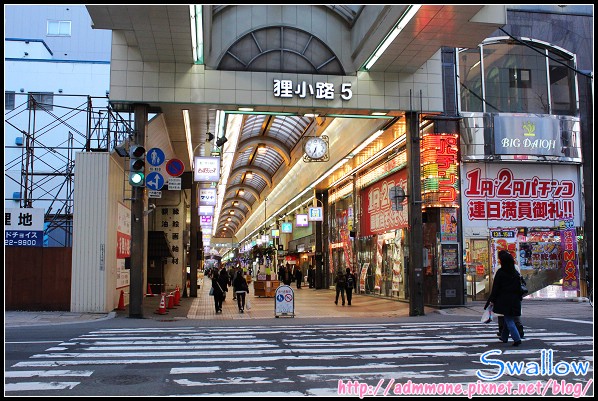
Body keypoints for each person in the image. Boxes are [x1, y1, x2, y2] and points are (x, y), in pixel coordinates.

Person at [484, 250, 523, 346]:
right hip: (515, 299)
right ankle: (504, 336)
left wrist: (492, 300)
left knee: (509, 319)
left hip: (504, 299)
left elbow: (496, 288)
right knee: (508, 317)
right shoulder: (515, 273)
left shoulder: (501, 272)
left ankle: (517, 338)